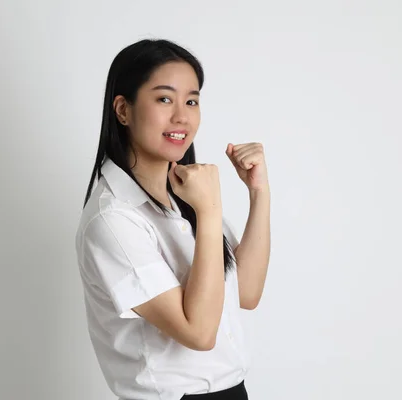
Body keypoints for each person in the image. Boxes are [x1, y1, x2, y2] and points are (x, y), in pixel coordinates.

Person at [75, 38, 271, 400]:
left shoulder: (184, 196)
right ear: (123, 110)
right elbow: (198, 333)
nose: (182, 116)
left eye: (192, 100)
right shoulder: (113, 219)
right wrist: (210, 211)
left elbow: (246, 292)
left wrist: (258, 193)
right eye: (164, 98)